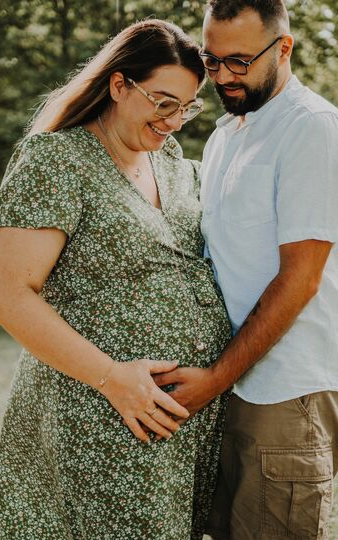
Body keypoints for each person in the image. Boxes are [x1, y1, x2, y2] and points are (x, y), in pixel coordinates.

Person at [0, 19, 232, 540]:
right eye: (162, 102)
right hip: (97, 415)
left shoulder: (169, 162)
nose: (174, 121)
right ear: (119, 85)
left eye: (186, 107)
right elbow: (7, 297)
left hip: (174, 423)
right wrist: (113, 377)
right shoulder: (57, 160)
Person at [153, 2, 338, 539]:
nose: (223, 77)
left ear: (284, 48)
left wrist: (214, 379)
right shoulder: (224, 135)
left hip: (284, 391)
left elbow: (299, 277)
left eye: (238, 61)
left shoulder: (313, 130)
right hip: (230, 386)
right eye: (212, 61)